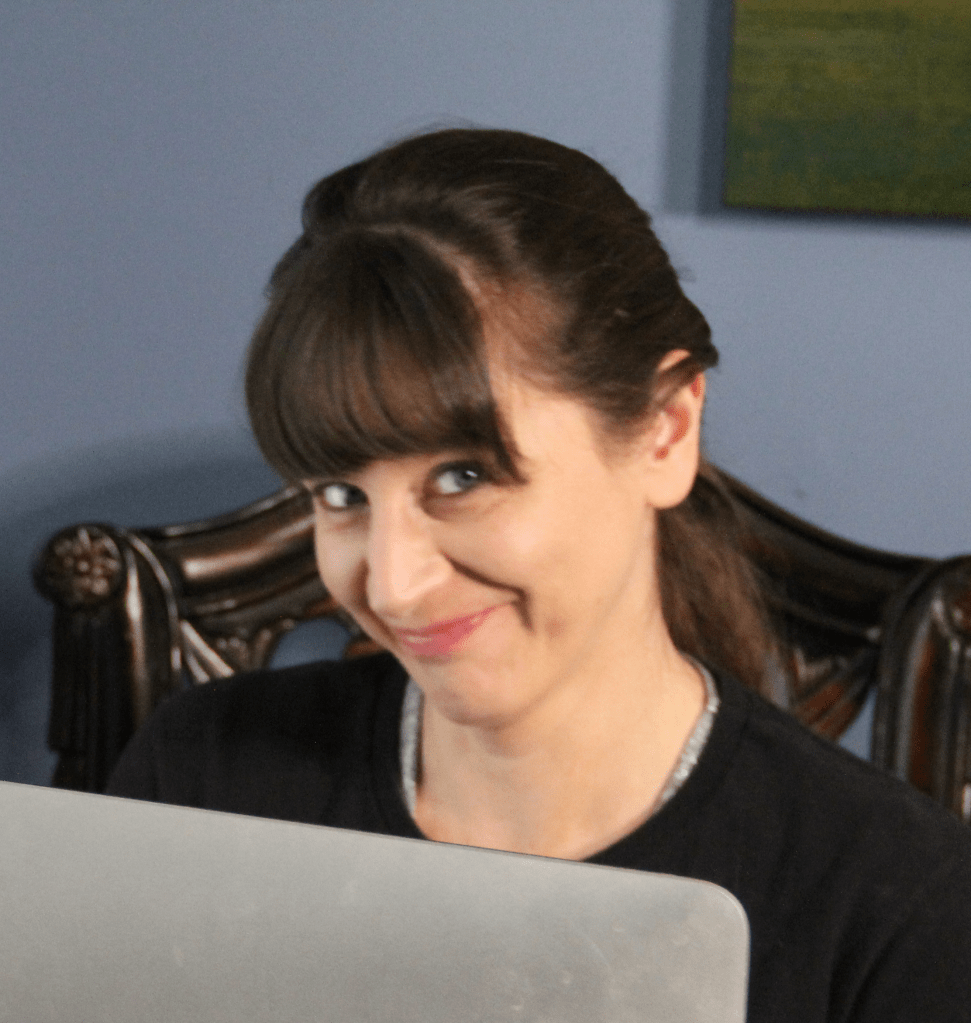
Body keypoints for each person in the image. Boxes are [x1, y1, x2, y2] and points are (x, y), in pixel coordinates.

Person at [108, 128, 971, 1020]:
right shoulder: (200, 779)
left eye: (462, 477)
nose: (393, 585)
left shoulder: (901, 908)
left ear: (664, 431)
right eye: (340, 494)